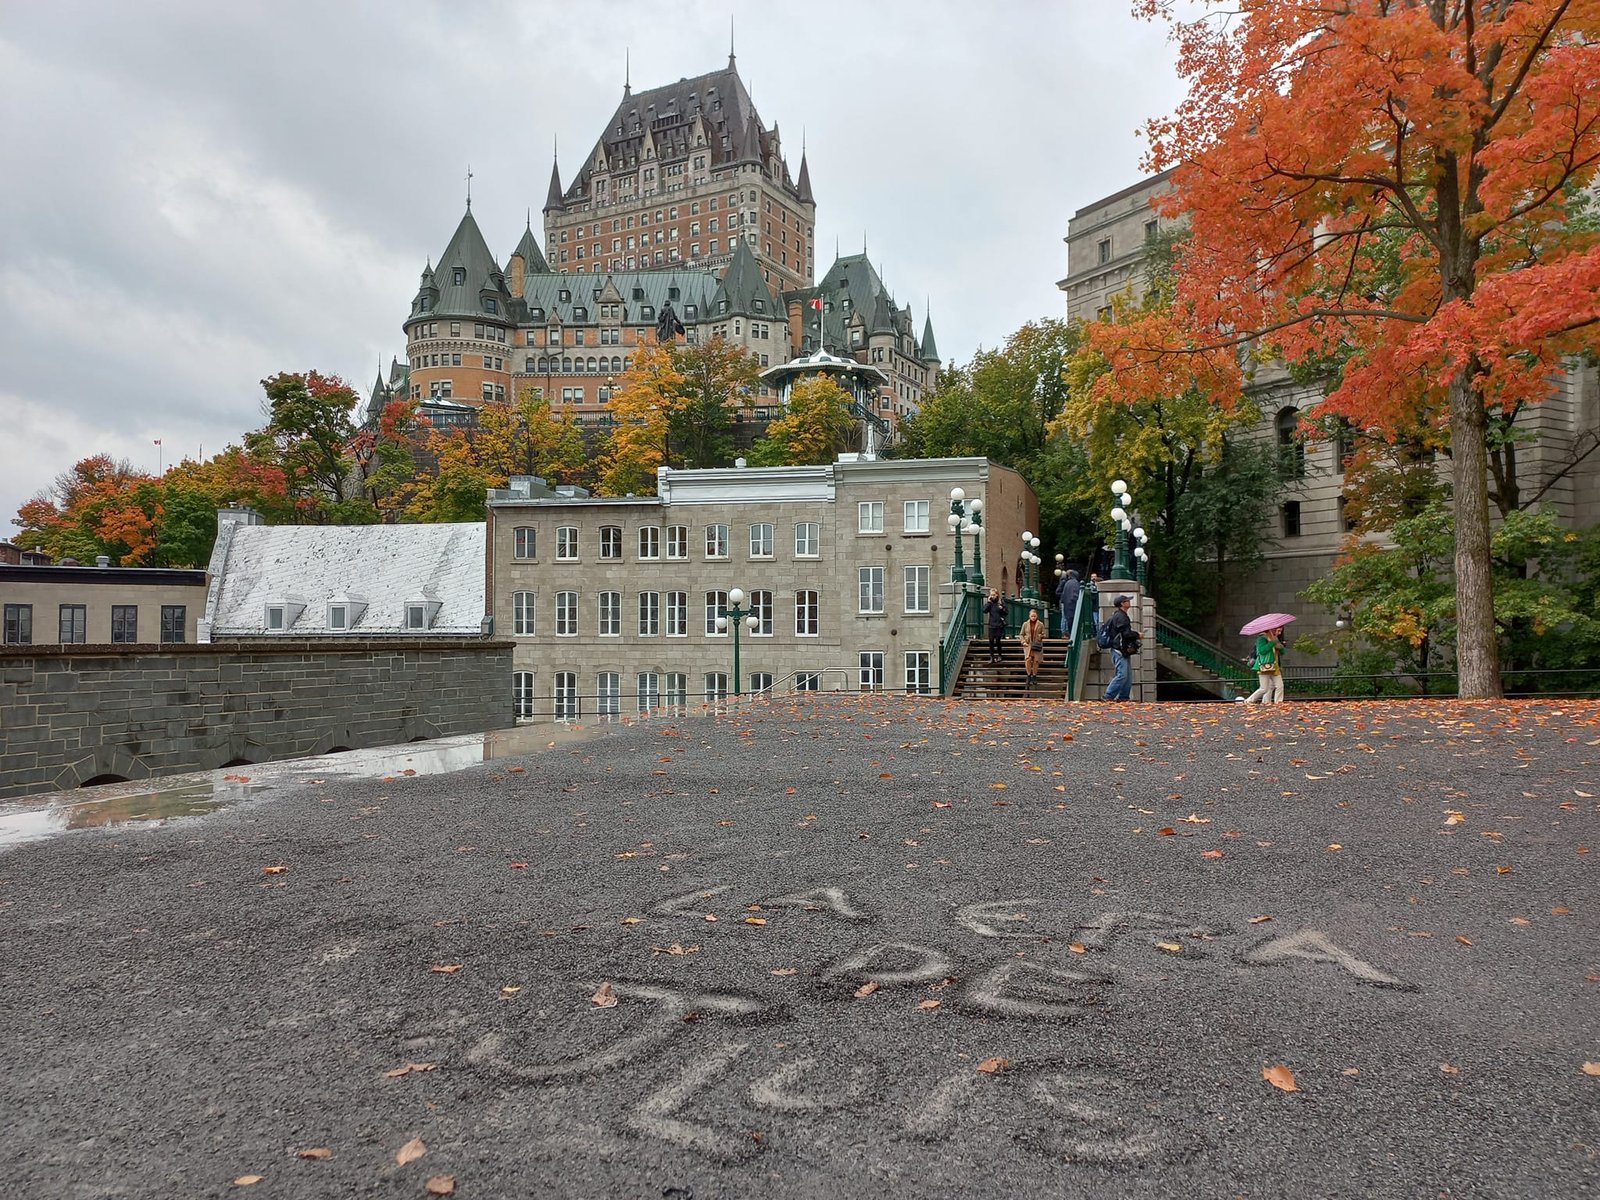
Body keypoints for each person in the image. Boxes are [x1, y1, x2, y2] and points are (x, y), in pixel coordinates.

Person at [1101, 594, 1135, 701]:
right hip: (1119, 649)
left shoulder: (1119, 615)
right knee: (1122, 674)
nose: (1129, 602)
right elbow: (1126, 634)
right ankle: (1108, 695)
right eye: (1127, 601)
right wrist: (1138, 635)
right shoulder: (1121, 617)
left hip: (1121, 648)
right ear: (1122, 604)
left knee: (1127, 676)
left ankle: (1124, 697)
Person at [1241, 626, 1287, 704]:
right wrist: (1272, 643)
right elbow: (1262, 651)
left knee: (1280, 686)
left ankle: (1278, 703)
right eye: (1278, 631)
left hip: (1275, 666)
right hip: (1265, 665)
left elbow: (1282, 652)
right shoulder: (1262, 639)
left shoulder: (1275, 638)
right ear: (1272, 629)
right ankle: (1248, 701)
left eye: (1280, 631)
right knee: (1264, 688)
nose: (1279, 633)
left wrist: (1280, 647)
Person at [1020, 608, 1046, 688]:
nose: (1033, 618)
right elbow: (1021, 634)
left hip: (1037, 644)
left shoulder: (1040, 624)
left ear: (1037, 616)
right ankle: (1028, 675)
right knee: (1028, 659)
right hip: (1028, 644)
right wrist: (1023, 641)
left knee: (1036, 661)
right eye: (1032, 616)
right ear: (1029, 616)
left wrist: (1040, 636)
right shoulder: (1025, 624)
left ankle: (1034, 675)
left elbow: (1044, 634)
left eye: (1034, 616)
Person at [1056, 569, 1081, 640]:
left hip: (1066, 602)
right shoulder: (1071, 582)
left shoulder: (1067, 582)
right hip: (1069, 603)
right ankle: (1065, 633)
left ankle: (1066, 634)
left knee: (1066, 618)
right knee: (1066, 619)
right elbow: (1058, 592)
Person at [983, 588, 1006, 664]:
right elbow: (985, 611)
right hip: (992, 624)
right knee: (991, 641)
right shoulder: (990, 603)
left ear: (997, 595)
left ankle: (999, 655)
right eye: (991, 595)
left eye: (994, 595)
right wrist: (988, 602)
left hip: (999, 624)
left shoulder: (1000, 602)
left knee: (998, 640)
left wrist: (1002, 608)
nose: (992, 596)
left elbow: (1006, 612)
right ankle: (992, 657)